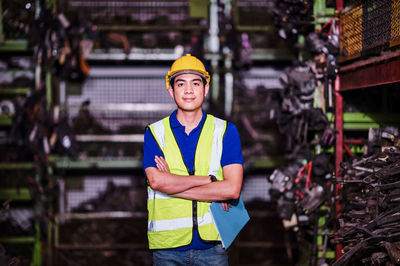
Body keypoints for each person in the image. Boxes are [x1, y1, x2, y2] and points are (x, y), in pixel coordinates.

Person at [143, 54, 244, 266]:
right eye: (181, 83)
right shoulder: (155, 133)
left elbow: (233, 189)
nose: (189, 90)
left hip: (213, 248)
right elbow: (157, 182)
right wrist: (210, 181)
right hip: (167, 249)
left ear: (206, 88)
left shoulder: (225, 131)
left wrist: (172, 183)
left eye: (195, 83)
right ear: (171, 91)